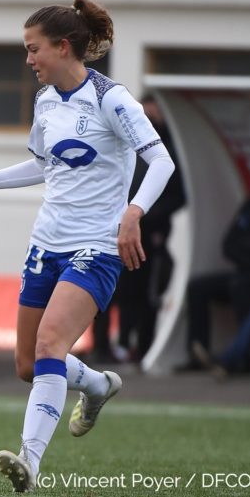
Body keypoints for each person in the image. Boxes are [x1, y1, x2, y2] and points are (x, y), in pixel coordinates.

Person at [0, 0, 175, 493]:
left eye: (33, 48)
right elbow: (43, 165)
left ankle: (30, 462)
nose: (28, 59)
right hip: (46, 243)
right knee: (28, 365)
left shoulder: (111, 99)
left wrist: (134, 212)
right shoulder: (45, 101)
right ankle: (98, 384)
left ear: (62, 47)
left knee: (49, 346)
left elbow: (161, 160)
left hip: (96, 247)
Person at [95, 94, 186, 363]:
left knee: (143, 293)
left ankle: (139, 346)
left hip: (148, 235)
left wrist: (142, 213)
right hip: (112, 231)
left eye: (152, 116)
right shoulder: (121, 143)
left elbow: (178, 193)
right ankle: (103, 346)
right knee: (105, 288)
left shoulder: (168, 151)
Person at [179, 159, 250, 371]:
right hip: (247, 269)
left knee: (240, 286)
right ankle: (197, 353)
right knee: (198, 287)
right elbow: (229, 244)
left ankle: (242, 359)